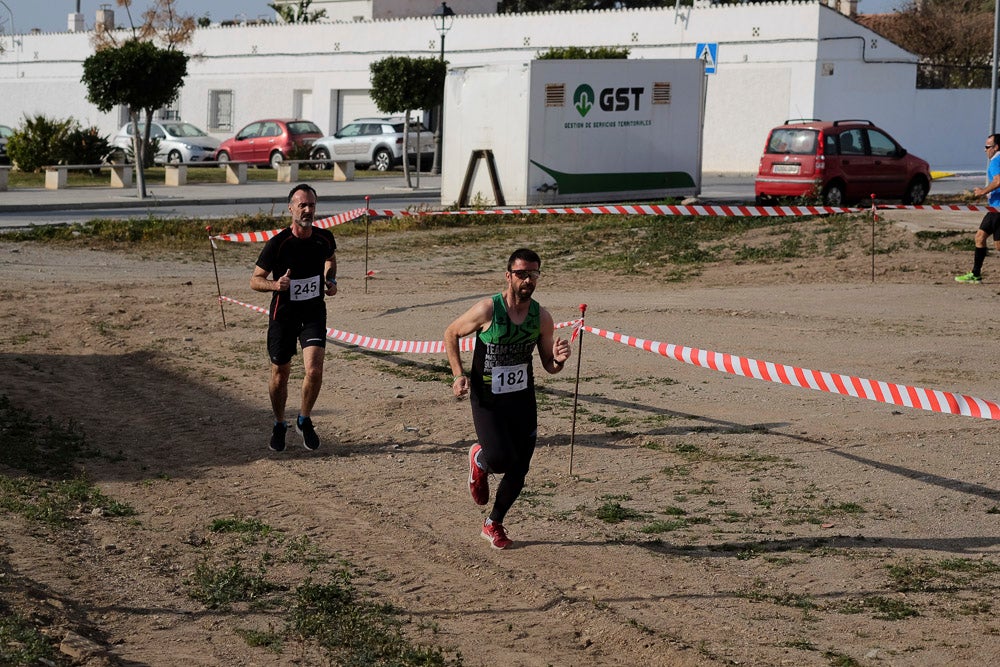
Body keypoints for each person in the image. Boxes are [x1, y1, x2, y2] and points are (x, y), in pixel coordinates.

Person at [444, 248, 572, 550]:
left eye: (533, 274)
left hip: (522, 399)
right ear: (508, 276)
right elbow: (451, 333)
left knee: (521, 467)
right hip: (488, 399)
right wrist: (457, 375)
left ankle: (494, 523)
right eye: (521, 273)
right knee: (501, 459)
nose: (528, 279)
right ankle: (480, 459)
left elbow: (548, 366)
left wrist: (559, 360)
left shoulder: (541, 317)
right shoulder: (488, 309)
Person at [250, 183, 337, 451]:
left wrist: (330, 279)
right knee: (280, 373)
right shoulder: (277, 244)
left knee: (314, 369)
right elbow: (255, 280)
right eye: (303, 205)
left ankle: (304, 419)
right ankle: (279, 422)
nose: (308, 210)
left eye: (311, 205)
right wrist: (276, 286)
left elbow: (331, 259)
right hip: (283, 316)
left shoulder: (324, 238)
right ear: (291, 208)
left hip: (313, 312)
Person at [956, 134, 1000, 283]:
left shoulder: (995, 161)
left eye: (987, 147)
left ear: (996, 147)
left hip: (998, 209)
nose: (984, 150)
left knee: (998, 245)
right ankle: (975, 274)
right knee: (980, 238)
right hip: (994, 208)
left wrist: (983, 191)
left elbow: (998, 180)